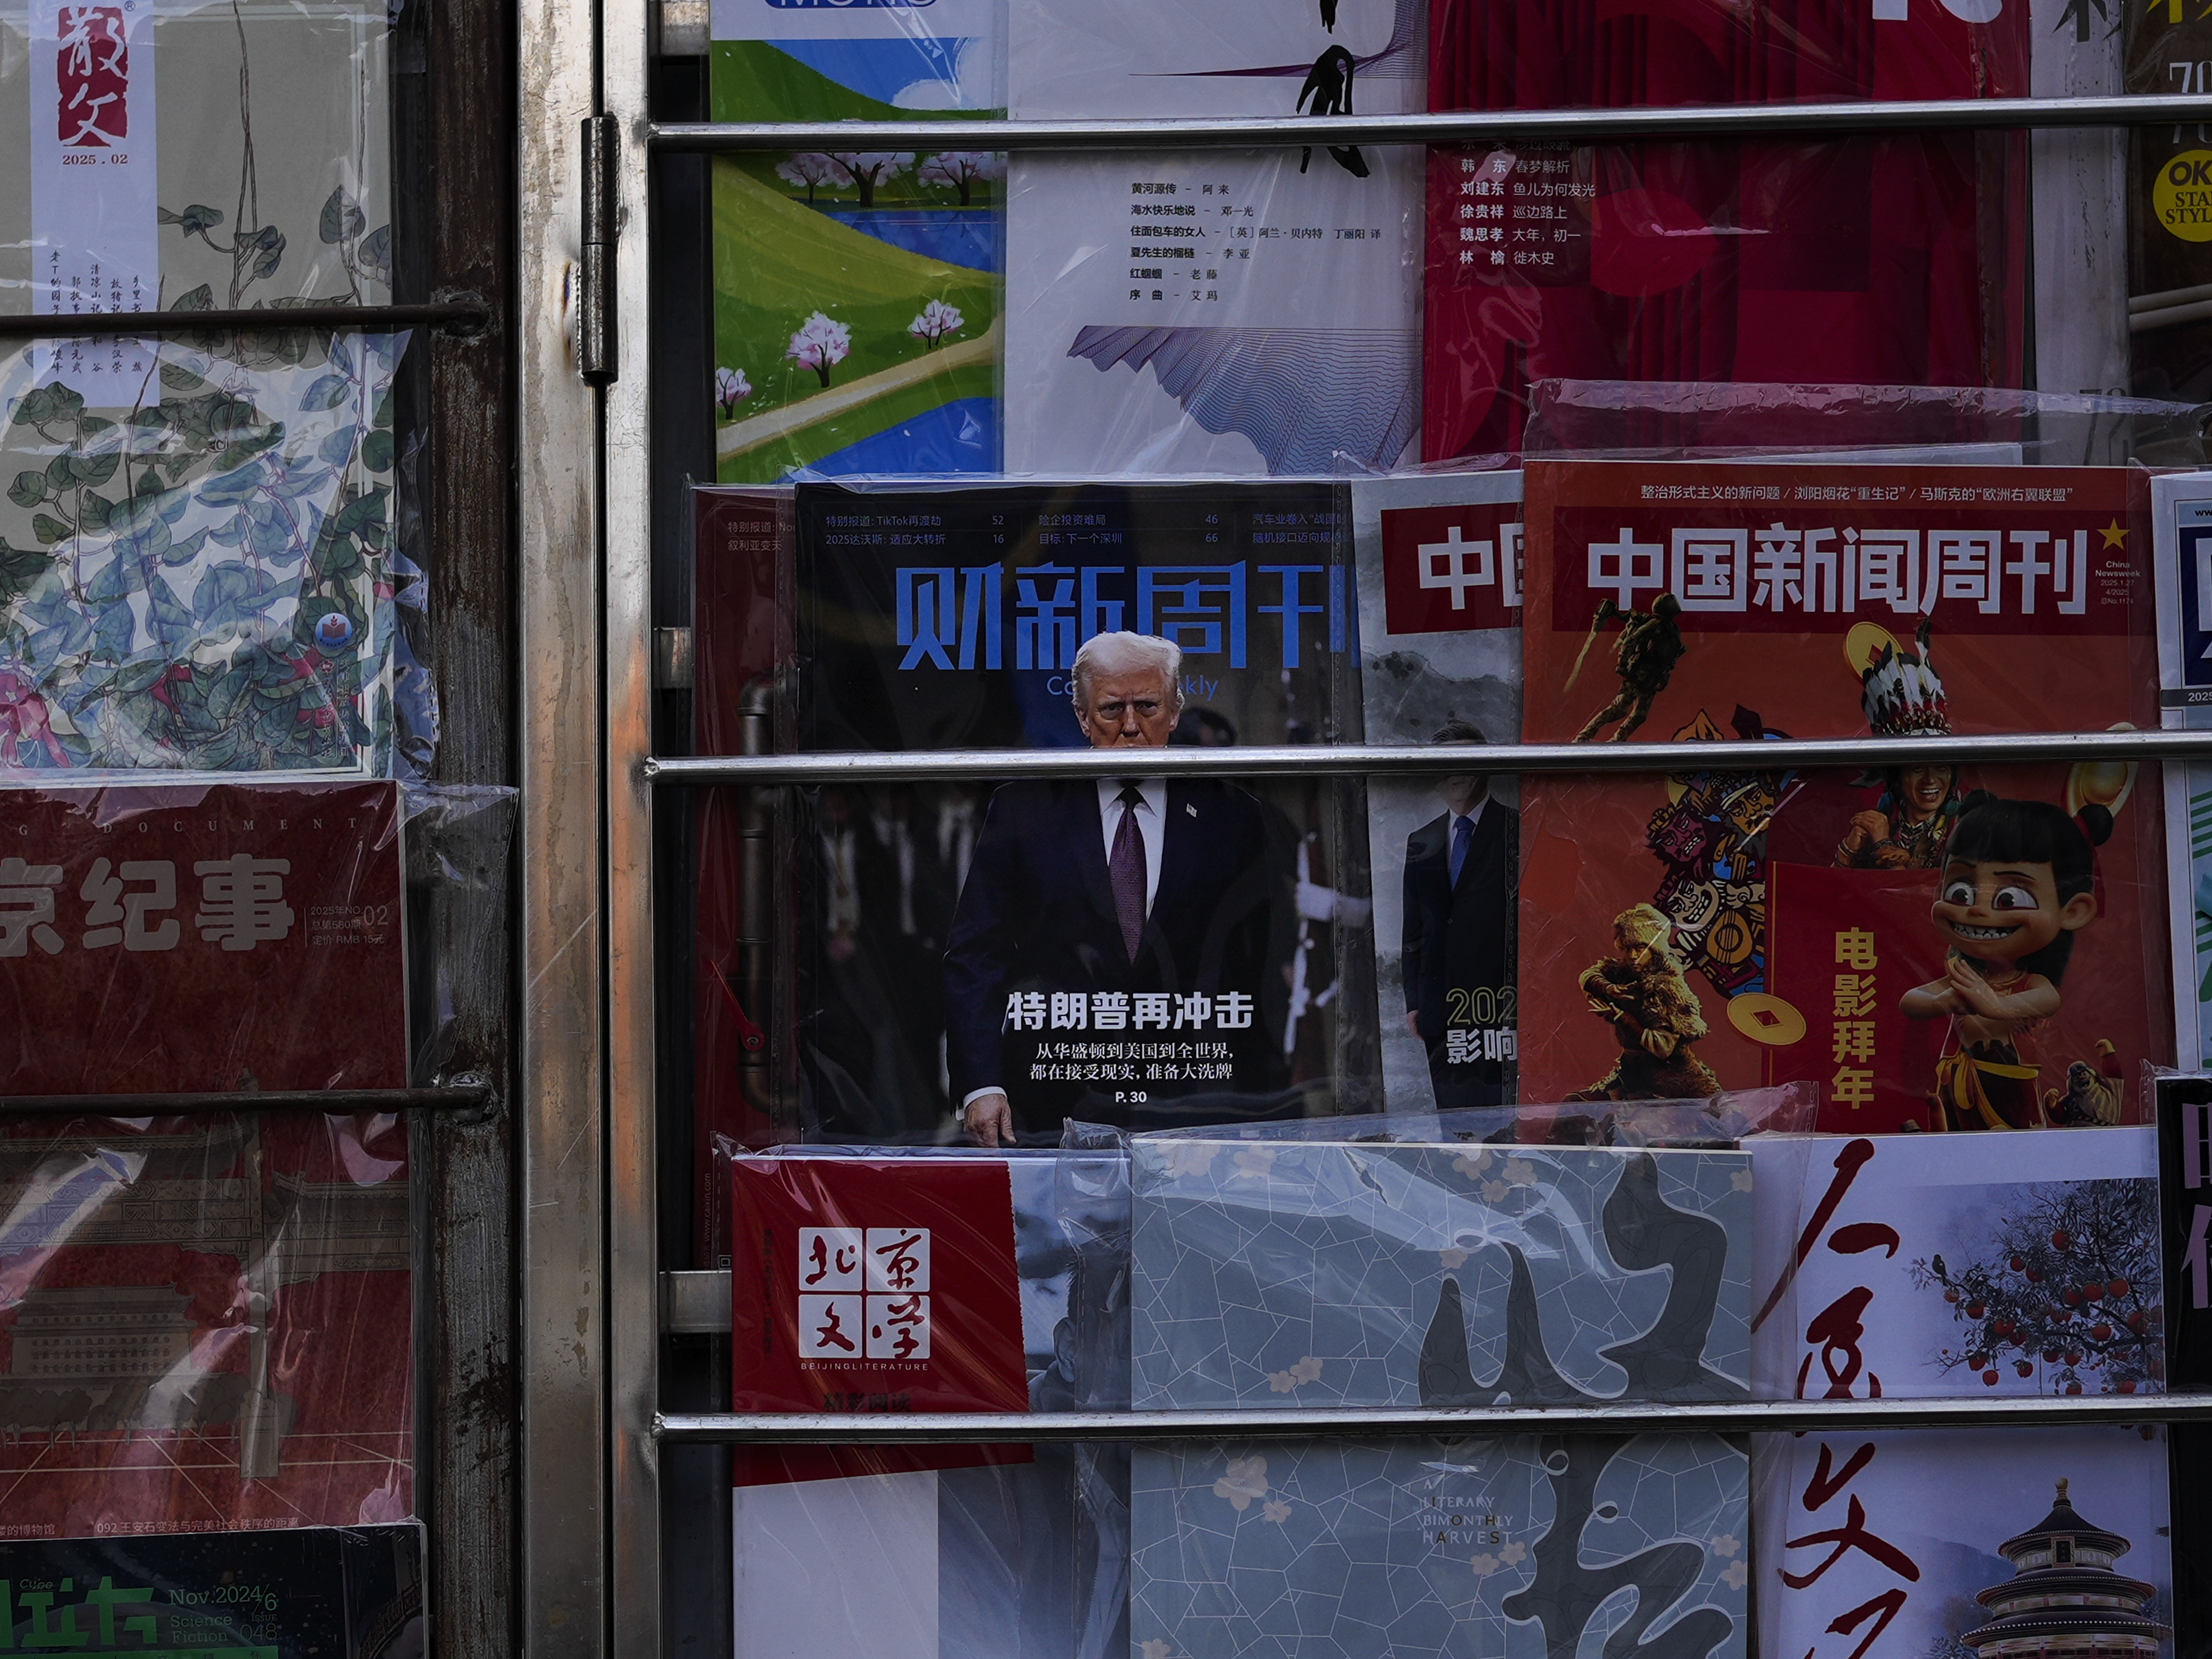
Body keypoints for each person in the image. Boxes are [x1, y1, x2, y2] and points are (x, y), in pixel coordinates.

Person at [946, 632, 1280, 1144]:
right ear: (1081, 717)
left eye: (1147, 706)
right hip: (1053, 1088)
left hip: (1195, 1092)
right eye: (1110, 709)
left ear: (1174, 712)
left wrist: (1263, 1096)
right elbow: (976, 953)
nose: (1130, 726)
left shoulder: (1231, 815)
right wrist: (980, 1084)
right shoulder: (1023, 810)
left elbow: (1258, 963)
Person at [1901, 792, 2110, 1131]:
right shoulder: (1965, 975)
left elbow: (2046, 1000)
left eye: (2010, 897)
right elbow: (1911, 1001)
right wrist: (1944, 1000)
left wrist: (1993, 1005)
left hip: (2011, 1082)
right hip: (1957, 1082)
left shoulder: (2028, 981)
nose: (1977, 910)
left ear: (2073, 911)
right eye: (1960, 893)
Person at [1399, 721, 1518, 1107]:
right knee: (1456, 1130)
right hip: (1441, 1008)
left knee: (1505, 1121)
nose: (1456, 773)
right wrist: (1414, 1001)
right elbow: (1413, 929)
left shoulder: (1517, 829)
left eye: (1466, 760)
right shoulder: (1422, 840)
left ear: (1486, 766)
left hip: (1502, 1006)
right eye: (1445, 764)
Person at [1566, 904, 1720, 1102]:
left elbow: (1663, 1048)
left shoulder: (1666, 986)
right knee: (1577, 1105)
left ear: (1655, 949)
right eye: (1628, 948)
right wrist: (1608, 988)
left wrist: (1625, 1020)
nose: (1633, 957)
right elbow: (1589, 976)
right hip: (1634, 1073)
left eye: (1640, 948)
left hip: (1672, 1080)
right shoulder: (1624, 971)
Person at [1572, 594, 1686, 743]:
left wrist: (1665, 676)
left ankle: (1618, 741)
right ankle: (1584, 737)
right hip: (1639, 673)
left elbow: (1671, 656)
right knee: (1618, 709)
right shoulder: (1655, 625)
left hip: (1654, 676)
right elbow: (1633, 639)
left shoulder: (1672, 629)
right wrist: (1623, 663)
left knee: (1640, 715)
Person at [1833, 762, 1962, 870]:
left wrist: (1883, 846)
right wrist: (1848, 851)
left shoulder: (1961, 829)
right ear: (1897, 778)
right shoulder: (1880, 824)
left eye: (1941, 768)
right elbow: (1831, 891)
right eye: (1918, 769)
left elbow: (1908, 895)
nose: (1930, 780)